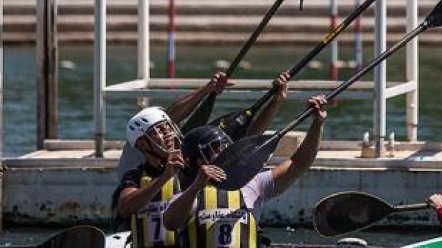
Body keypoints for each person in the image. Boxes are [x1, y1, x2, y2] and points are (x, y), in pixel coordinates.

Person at [112, 72, 289, 248]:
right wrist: (164, 178)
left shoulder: (194, 167)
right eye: (159, 131)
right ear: (143, 143)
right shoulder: (135, 176)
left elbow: (250, 139)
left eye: (169, 128)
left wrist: (276, 101)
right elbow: (126, 208)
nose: (168, 134)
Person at [162, 95, 328, 248]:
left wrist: (317, 124)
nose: (228, 150)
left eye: (227, 145)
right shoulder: (187, 193)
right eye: (218, 149)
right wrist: (196, 187)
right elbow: (170, 223)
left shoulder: (253, 183)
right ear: (199, 161)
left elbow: (298, 164)